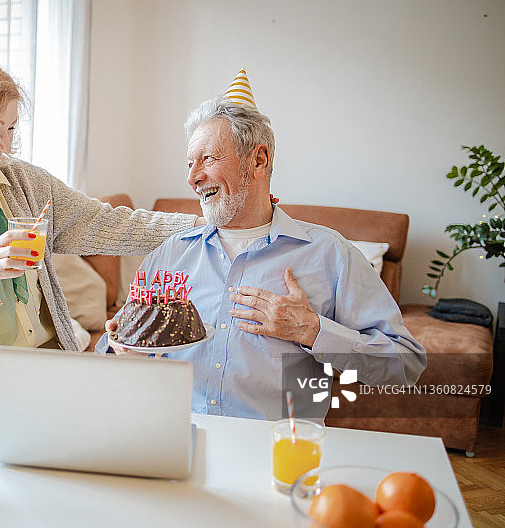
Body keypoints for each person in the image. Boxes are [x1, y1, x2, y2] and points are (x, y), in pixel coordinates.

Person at [96, 70, 426, 421]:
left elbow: (406, 365)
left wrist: (311, 330)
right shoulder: (170, 255)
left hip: (279, 450)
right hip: (173, 438)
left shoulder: (330, 255)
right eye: (190, 164)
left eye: (208, 159)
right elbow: (116, 347)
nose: (192, 177)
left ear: (258, 160)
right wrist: (123, 352)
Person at [0, 55, 202, 386]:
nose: (3, 145)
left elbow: (105, 223)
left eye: (10, 128)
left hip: (49, 369)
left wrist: (200, 228)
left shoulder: (23, 183)